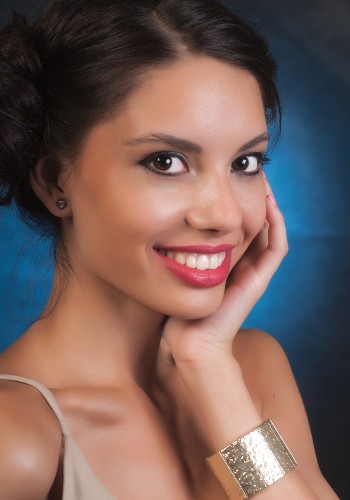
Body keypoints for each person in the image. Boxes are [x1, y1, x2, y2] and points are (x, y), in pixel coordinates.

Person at [0, 0, 338, 498]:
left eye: (245, 162)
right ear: (55, 181)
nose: (224, 215)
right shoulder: (18, 439)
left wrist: (209, 366)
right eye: (166, 161)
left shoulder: (250, 368)